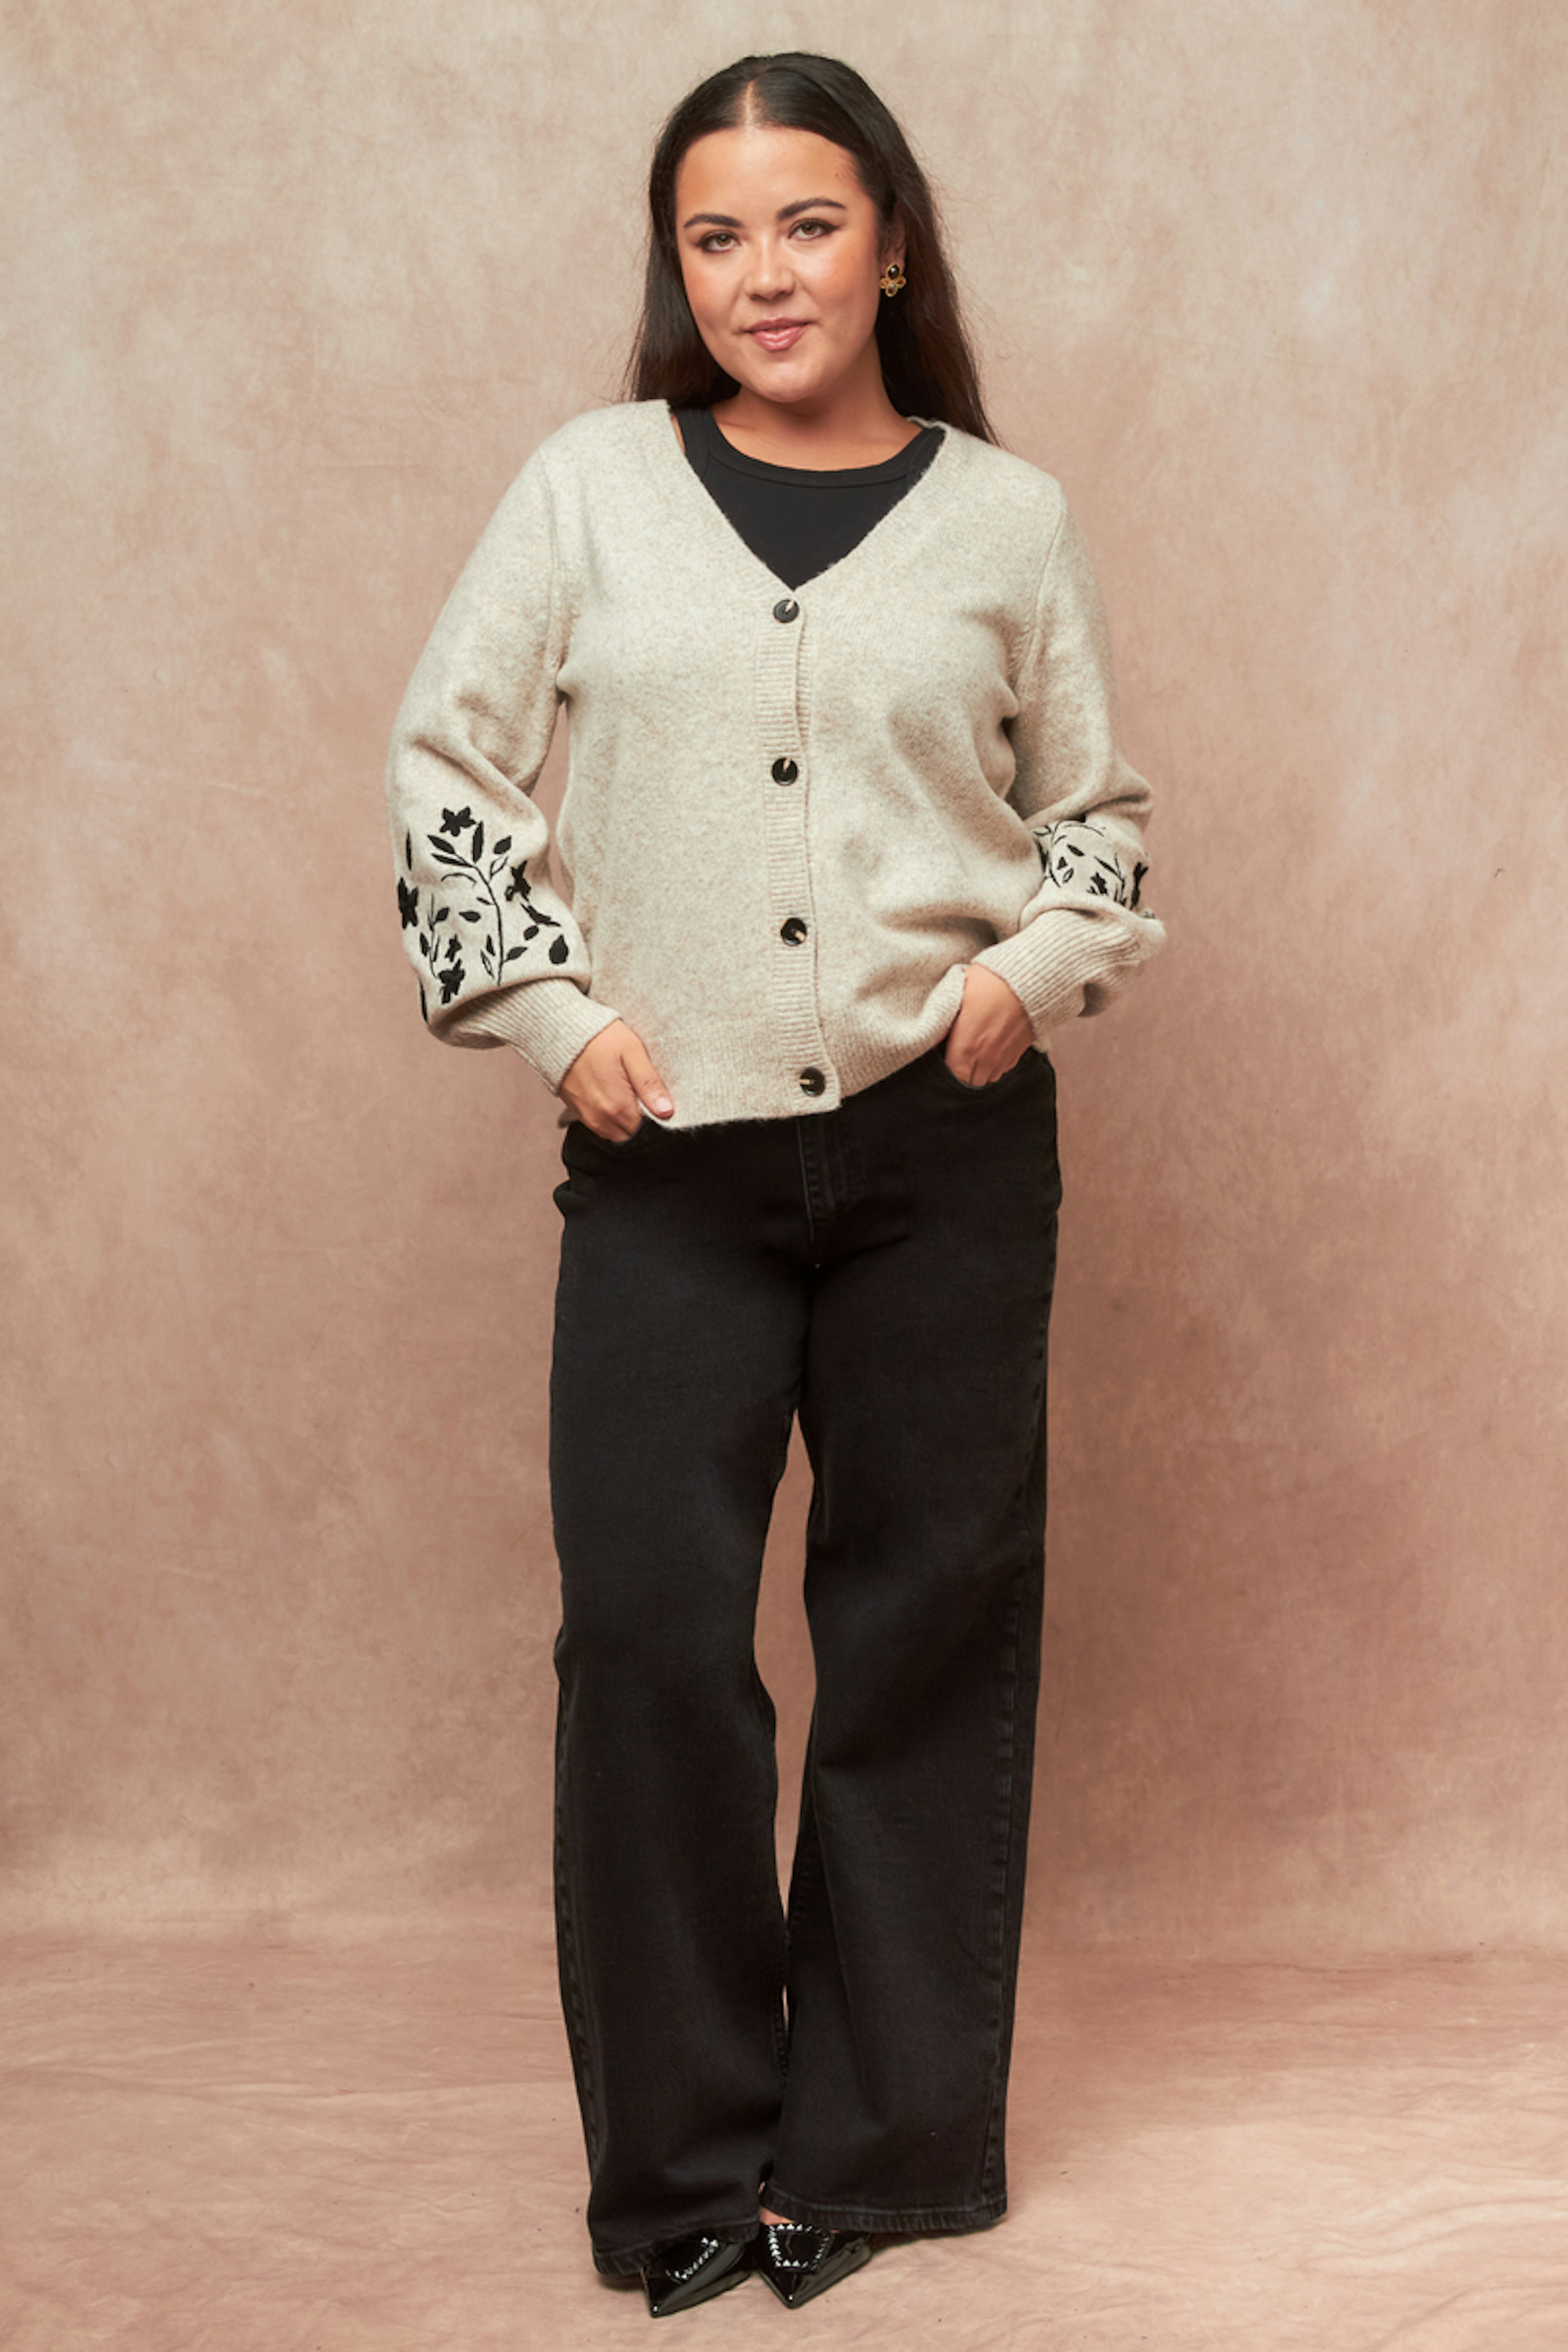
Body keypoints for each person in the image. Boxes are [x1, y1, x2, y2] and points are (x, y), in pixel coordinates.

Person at [386, 50, 1164, 2317]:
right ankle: (684, 2173)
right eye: (715, 237)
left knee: (925, 1633)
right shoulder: (588, 490)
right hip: (666, 1165)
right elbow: (445, 770)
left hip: (947, 1158)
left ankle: (887, 2153)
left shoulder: (1007, 523)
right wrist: (553, 1014)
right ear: (678, 267)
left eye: (808, 225)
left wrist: (1024, 978)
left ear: (892, 242)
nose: (764, 276)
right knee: (651, 1643)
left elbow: (1102, 828)